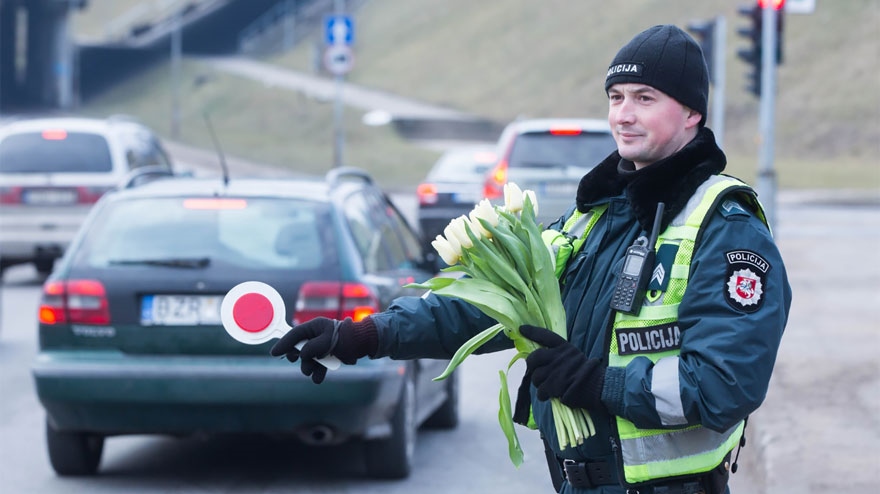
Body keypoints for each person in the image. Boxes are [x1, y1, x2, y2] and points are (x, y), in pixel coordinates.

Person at [271, 24, 791, 494]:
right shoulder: (595, 216)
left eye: (644, 98)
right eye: (615, 97)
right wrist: (363, 335)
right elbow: (486, 303)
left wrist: (596, 383)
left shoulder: (724, 228)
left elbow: (725, 386)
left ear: (691, 113)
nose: (623, 114)